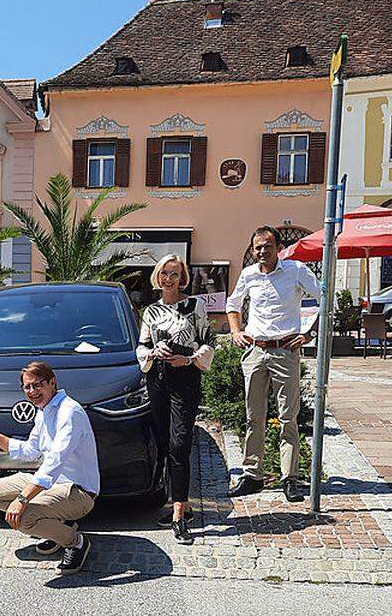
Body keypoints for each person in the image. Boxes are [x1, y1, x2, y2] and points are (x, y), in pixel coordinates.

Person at [0, 361, 99, 575]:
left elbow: (53, 463)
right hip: (52, 485)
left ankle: (75, 542)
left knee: (24, 518)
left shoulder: (69, 412)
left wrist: (22, 500)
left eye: (37, 385)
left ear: (52, 382)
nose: (32, 391)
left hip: (78, 492)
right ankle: (58, 529)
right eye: (27, 387)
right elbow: (29, 451)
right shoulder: (43, 411)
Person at [224, 227, 321, 502]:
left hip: (285, 350)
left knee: (289, 416)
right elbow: (233, 304)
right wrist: (235, 331)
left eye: (267, 246)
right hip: (255, 350)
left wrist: (308, 334)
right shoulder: (249, 275)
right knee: (253, 416)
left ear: (277, 247)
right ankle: (252, 475)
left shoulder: (297, 270)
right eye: (257, 247)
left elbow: (325, 300)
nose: (262, 251)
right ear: (253, 250)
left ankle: (289, 477)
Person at [136, 254, 214, 544]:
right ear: (158, 277)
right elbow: (141, 347)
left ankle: (179, 515)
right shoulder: (151, 312)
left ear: (182, 277)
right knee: (166, 443)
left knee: (181, 443)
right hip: (157, 378)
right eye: (165, 273)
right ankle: (181, 503)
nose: (169, 279)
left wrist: (190, 358)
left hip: (185, 378)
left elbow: (208, 341)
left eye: (175, 273)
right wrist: (152, 353)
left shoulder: (196, 306)